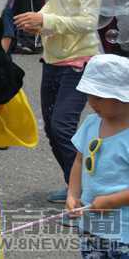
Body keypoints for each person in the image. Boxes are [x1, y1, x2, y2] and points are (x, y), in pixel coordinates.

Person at [15, 0, 104, 204]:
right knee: (53, 127)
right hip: (53, 58)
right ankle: (72, 183)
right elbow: (53, 6)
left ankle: (85, 190)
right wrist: (37, 16)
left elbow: (88, 22)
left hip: (79, 60)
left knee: (62, 125)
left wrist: (45, 23)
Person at [66, 54, 129, 258]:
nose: (92, 102)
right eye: (89, 95)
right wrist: (73, 194)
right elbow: (79, 161)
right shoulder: (91, 123)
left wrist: (112, 201)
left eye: (99, 97)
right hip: (91, 224)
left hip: (123, 231)